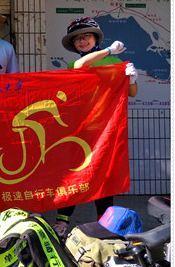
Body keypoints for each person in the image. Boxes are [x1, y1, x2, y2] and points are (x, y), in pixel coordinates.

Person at [52, 17, 139, 237]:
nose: (82, 41)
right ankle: (62, 221)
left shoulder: (114, 62)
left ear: (95, 38)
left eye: (86, 36)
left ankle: (105, 223)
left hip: (106, 128)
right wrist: (109, 50)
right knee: (73, 174)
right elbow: (81, 65)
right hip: (80, 128)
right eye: (77, 39)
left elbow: (132, 93)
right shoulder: (73, 65)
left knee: (104, 175)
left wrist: (132, 79)